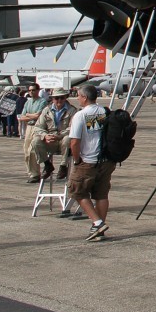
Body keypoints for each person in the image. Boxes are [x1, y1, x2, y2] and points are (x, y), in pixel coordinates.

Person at [68, 84, 131, 241]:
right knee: (101, 194)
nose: (77, 98)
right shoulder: (104, 112)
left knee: (77, 191)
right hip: (106, 160)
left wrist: (77, 160)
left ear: (84, 97)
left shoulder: (80, 115)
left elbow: (75, 142)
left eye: (78, 95)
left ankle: (97, 223)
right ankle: (99, 229)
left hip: (88, 161)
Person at [32, 88, 77, 180]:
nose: (59, 100)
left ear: (65, 98)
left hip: (63, 140)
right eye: (56, 98)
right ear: (52, 99)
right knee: (35, 141)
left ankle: (63, 166)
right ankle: (47, 164)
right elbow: (38, 127)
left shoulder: (72, 111)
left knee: (68, 138)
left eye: (61, 98)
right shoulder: (46, 110)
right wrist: (45, 136)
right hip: (50, 140)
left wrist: (59, 136)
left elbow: (73, 128)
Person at [18, 85, 50, 183]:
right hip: (29, 127)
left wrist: (28, 115)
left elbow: (39, 116)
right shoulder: (28, 102)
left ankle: (35, 174)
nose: (31, 92)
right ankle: (31, 173)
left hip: (38, 127)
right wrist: (31, 116)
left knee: (32, 150)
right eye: (30, 90)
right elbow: (21, 117)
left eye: (33, 90)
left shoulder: (42, 102)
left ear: (38, 90)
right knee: (26, 151)